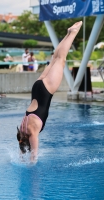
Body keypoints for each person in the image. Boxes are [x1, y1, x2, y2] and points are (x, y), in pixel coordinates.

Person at [17, 21, 83, 162]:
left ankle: (73, 33)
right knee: (55, 59)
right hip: (36, 88)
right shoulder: (21, 132)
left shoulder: (31, 132)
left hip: (46, 90)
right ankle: (68, 33)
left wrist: (31, 165)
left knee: (61, 59)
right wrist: (21, 158)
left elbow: (34, 155)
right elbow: (21, 147)